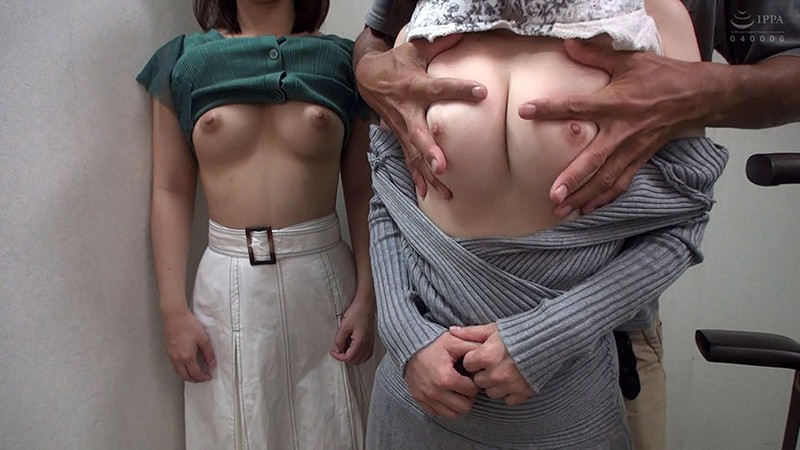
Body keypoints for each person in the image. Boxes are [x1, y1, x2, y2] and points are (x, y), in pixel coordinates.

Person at [354, 0, 799, 448]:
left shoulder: (656, 17)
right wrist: (404, 331)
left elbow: (681, 223)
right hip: (415, 397)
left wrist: (550, 336)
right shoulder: (428, 20)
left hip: (569, 392)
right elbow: (389, 193)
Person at [136, 0, 376, 448]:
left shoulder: (346, 63)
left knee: (334, 426)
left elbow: (363, 190)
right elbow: (170, 189)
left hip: (324, 284)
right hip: (225, 286)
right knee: (236, 430)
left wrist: (368, 295)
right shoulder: (183, 62)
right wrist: (172, 309)